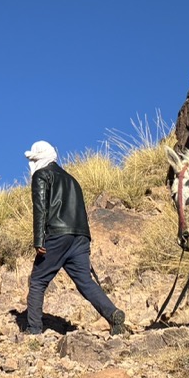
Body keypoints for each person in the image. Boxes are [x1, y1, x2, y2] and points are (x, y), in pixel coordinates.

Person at [24, 140, 127, 337]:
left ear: (39, 158)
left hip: (57, 235)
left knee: (37, 281)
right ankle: (113, 315)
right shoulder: (72, 179)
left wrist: (39, 240)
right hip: (80, 237)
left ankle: (34, 330)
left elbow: (40, 208)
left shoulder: (41, 175)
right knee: (85, 281)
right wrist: (84, 239)